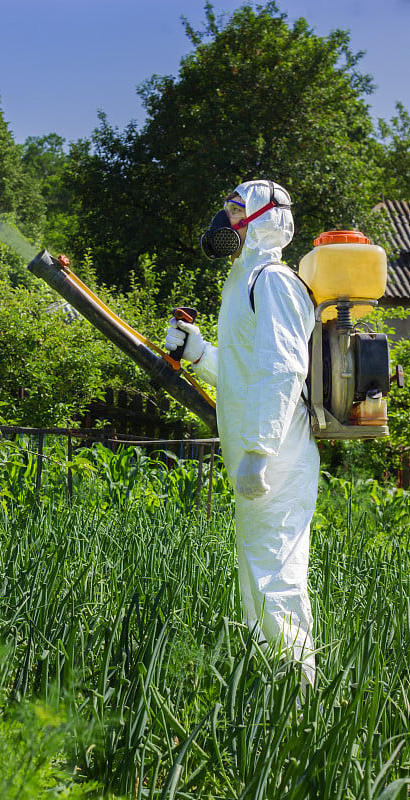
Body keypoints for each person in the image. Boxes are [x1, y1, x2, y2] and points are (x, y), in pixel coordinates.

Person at [165, 179, 319, 689]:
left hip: (278, 453)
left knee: (277, 576)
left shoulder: (274, 279)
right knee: (257, 576)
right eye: (227, 207)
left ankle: (301, 699)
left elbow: (281, 371)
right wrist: (199, 354)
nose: (227, 219)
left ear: (266, 217)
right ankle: (272, 688)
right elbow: (242, 373)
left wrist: (257, 451)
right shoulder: (241, 280)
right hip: (257, 452)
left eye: (238, 208)